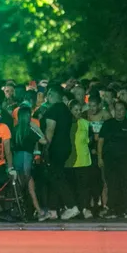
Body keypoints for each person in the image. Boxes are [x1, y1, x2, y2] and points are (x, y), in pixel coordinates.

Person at [98, 101, 127, 219]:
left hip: (126, 160)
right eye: (117, 109)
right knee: (112, 184)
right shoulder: (108, 124)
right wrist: (100, 158)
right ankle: (112, 209)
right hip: (110, 160)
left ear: (126, 111)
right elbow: (101, 141)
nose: (119, 112)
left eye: (121, 109)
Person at [43, 85, 79, 220]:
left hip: (55, 147)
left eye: (48, 95)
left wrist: (45, 147)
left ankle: (71, 206)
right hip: (65, 146)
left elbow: (50, 129)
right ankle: (53, 210)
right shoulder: (66, 109)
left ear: (51, 95)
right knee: (55, 175)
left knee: (57, 176)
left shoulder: (53, 109)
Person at [11, 105, 46, 219]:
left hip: (17, 162)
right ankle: (38, 211)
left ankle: (21, 210)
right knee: (31, 189)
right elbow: (44, 141)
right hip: (27, 162)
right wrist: (36, 127)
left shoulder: (14, 130)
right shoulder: (30, 130)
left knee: (20, 189)